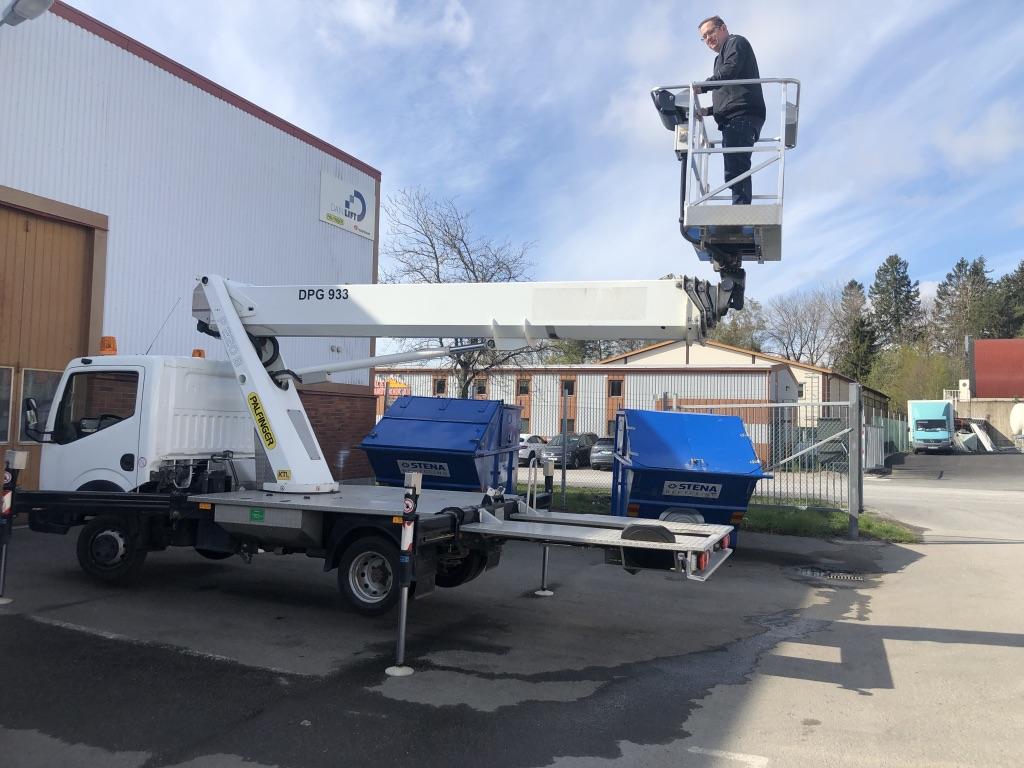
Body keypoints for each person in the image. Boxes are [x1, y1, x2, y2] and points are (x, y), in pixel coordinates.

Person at [695, 16, 765, 205]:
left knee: (737, 168)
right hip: (732, 118)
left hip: (742, 116)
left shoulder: (736, 42)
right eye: (704, 37)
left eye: (710, 32)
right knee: (733, 170)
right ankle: (740, 208)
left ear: (723, 28)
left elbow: (731, 70)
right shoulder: (719, 58)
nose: (708, 38)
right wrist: (708, 111)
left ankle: (741, 211)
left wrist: (703, 86)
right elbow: (729, 93)